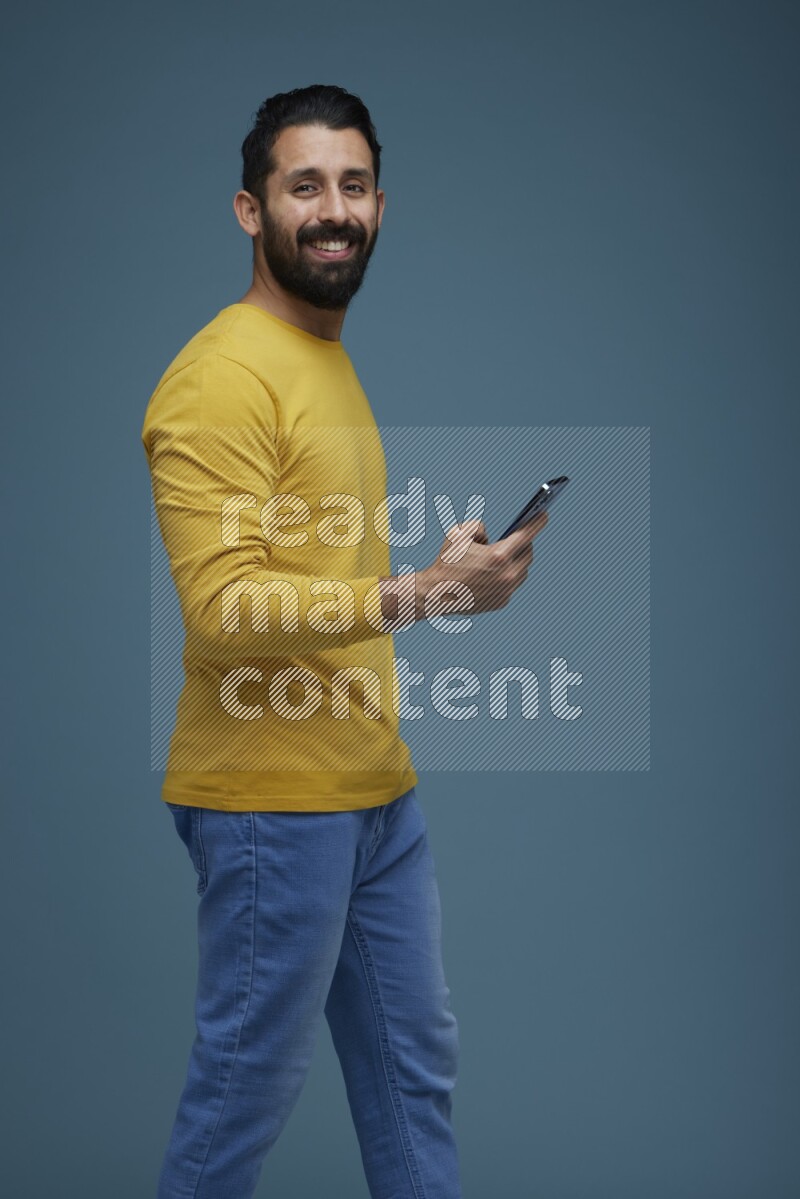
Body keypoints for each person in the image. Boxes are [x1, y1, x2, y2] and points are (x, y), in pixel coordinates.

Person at [141, 83, 548, 1199]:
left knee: (412, 1082)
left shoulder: (323, 357)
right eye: (304, 183)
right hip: (273, 806)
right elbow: (224, 607)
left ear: (379, 205)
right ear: (248, 209)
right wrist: (417, 592)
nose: (333, 208)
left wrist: (456, 587)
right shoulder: (221, 374)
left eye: (354, 184)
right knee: (239, 1104)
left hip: (374, 797)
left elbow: (323, 586)